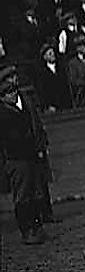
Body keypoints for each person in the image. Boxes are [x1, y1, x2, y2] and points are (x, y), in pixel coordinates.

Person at [0, 63, 57, 245]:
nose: (11, 95)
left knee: (34, 193)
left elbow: (35, 125)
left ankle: (37, 228)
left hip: (30, 155)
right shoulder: (4, 113)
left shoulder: (23, 104)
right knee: (23, 196)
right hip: (16, 159)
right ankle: (26, 231)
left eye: (12, 92)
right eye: (7, 93)